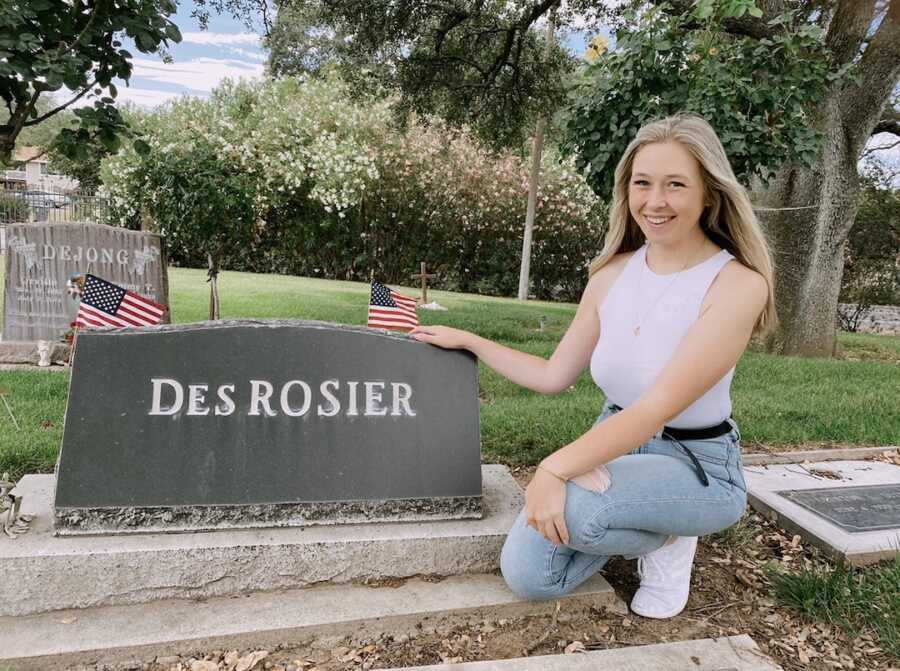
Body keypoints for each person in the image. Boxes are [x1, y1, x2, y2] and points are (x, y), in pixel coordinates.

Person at [409, 113, 775, 619]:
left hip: (697, 464)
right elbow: (553, 375)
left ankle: (673, 536)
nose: (655, 201)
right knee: (529, 575)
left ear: (708, 194)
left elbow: (654, 411)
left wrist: (555, 467)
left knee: (576, 512)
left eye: (676, 185)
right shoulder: (611, 273)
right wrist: (470, 341)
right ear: (627, 190)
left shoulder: (738, 285)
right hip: (615, 436)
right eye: (642, 183)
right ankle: (651, 524)